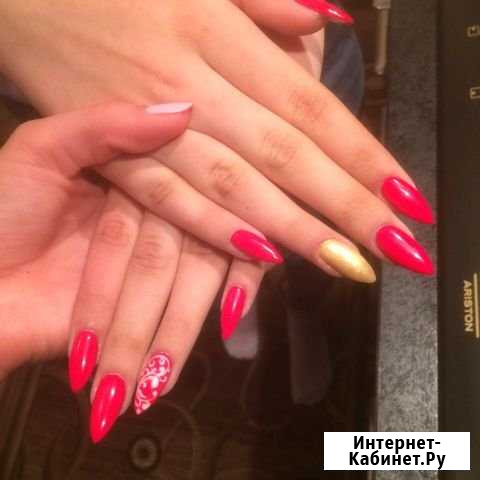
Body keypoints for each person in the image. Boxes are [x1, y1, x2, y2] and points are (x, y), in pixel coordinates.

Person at [0, 0, 435, 443]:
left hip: (292, 64)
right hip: (54, 96)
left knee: (304, 226)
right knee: (207, 229)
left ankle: (298, 307)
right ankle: (239, 297)